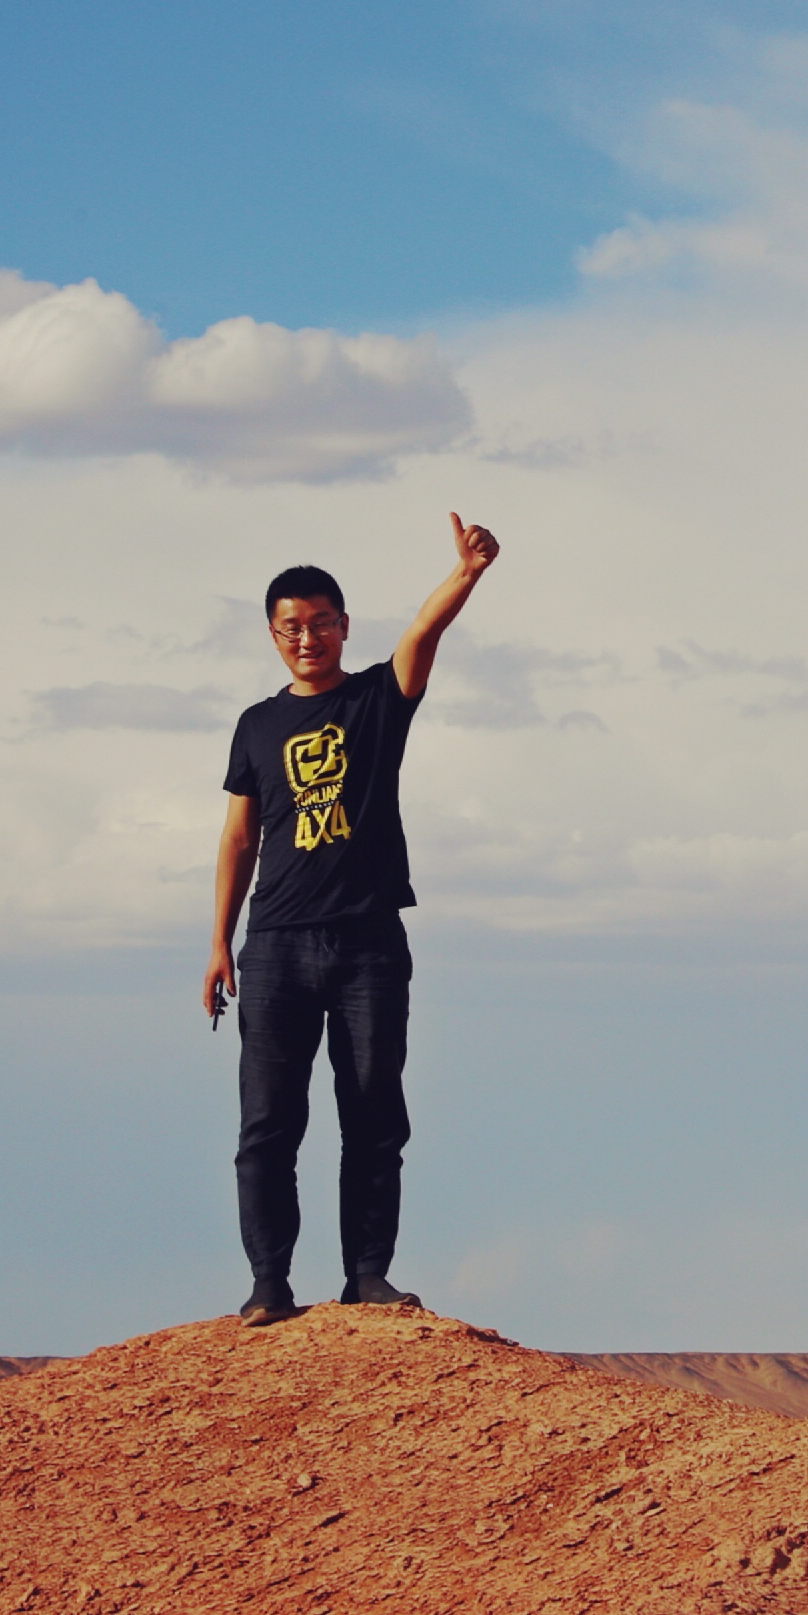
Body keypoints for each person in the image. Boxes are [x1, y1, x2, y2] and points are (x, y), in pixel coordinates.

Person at [201, 518, 500, 1326]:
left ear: (343, 625)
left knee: (372, 1114)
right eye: (291, 626)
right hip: (276, 946)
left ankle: (367, 1274)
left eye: (321, 622)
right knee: (268, 1123)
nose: (308, 637)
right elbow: (237, 835)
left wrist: (466, 573)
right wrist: (219, 944)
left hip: (369, 941)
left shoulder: (377, 698)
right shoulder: (256, 726)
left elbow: (424, 629)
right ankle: (270, 1283)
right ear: (273, 634)